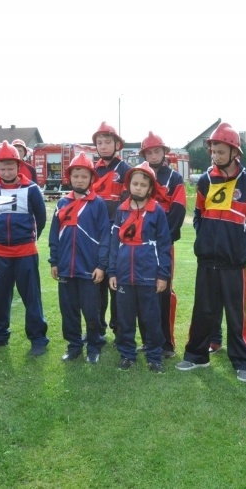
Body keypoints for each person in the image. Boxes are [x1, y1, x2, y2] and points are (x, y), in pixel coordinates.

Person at [175, 123, 246, 383]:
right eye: (213, 151)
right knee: (202, 310)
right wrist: (205, 240)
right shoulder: (205, 180)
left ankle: (243, 361)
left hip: (233, 263)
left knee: (236, 315)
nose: (215, 156)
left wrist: (242, 252)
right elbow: (198, 215)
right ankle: (196, 355)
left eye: (221, 152)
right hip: (207, 261)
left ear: (235, 152)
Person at [0, 141, 49, 356]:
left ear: (19, 166)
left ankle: (38, 339)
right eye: (2, 168)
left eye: (10, 167)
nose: (6, 172)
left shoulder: (32, 189)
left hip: (25, 251)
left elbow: (41, 218)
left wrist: (28, 238)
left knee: (31, 297)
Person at [108, 161, 171, 373]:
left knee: (151, 318)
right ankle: (127, 354)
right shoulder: (121, 210)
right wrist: (112, 271)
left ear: (150, 188)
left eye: (143, 185)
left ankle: (154, 356)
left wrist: (163, 275)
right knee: (125, 318)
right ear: (128, 185)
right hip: (124, 275)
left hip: (149, 275)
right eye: (135, 183)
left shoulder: (157, 211)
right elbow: (114, 244)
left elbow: (164, 246)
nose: (138, 188)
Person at [48, 153, 110, 364]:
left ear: (91, 178)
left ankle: (94, 346)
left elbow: (105, 236)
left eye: (84, 176)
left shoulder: (97, 203)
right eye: (76, 176)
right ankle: (74, 346)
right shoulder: (62, 202)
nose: (80, 180)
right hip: (66, 267)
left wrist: (101, 265)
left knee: (92, 312)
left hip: (89, 269)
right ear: (69, 177)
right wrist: (54, 261)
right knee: (69, 311)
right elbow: (54, 234)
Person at [136, 131, 186, 358]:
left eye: (157, 151)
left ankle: (167, 344)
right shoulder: (139, 176)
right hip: (140, 246)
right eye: (149, 152)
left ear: (164, 153)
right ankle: (147, 341)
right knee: (142, 291)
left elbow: (178, 211)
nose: (154, 155)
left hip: (163, 246)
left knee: (164, 292)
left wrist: (164, 239)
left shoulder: (174, 178)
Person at [91, 121, 131, 338]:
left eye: (107, 142)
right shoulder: (91, 170)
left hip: (117, 234)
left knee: (116, 283)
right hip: (95, 235)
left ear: (117, 145)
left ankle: (119, 329)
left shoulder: (125, 170)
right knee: (96, 283)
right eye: (99, 142)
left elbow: (127, 203)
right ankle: (97, 328)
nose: (103, 146)